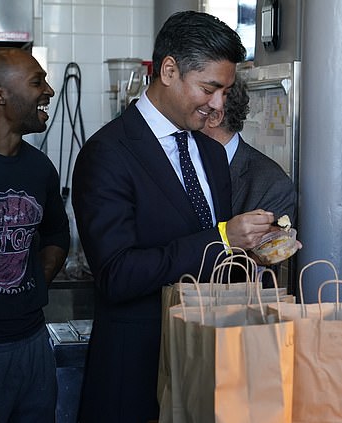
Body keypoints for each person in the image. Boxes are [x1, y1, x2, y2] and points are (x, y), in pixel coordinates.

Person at [72, 11, 275, 422]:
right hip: (136, 368)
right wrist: (222, 239)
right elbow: (117, 274)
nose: (218, 104)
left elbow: (212, 255)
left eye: (225, 90)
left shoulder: (211, 153)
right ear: (168, 70)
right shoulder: (108, 153)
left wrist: (252, 251)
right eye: (209, 88)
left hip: (208, 361)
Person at [0, 48, 70, 422]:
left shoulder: (39, 168)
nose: (49, 91)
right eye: (37, 82)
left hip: (34, 345)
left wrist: (35, 281)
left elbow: (56, 231)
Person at [200, 74, 297, 224]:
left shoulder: (272, 184)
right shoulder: (182, 162)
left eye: (194, 108)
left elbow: (270, 245)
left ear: (214, 117)